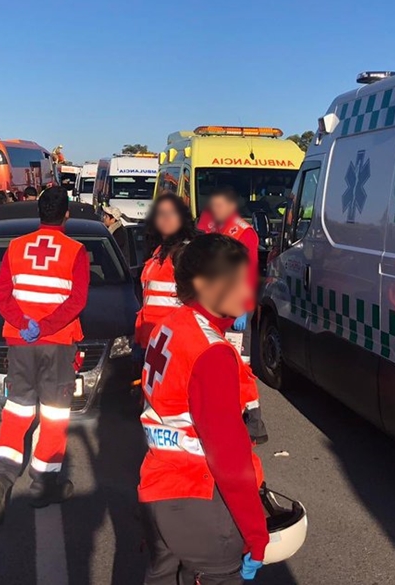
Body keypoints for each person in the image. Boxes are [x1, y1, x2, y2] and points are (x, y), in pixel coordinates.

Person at [138, 234, 268, 584]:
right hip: (200, 496)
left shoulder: (169, 325)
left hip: (158, 485)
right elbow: (228, 455)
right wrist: (256, 534)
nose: (248, 293)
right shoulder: (211, 353)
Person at [0, 186, 90, 524]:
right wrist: (44, 327)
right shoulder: (76, 251)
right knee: (54, 416)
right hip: (57, 344)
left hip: (20, 343)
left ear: (38, 212)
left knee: (17, 411)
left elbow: (0, 294)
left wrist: (22, 322)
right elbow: (77, 302)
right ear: (67, 215)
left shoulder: (16, 247)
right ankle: (43, 486)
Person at [198, 186, 266, 442]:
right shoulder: (212, 228)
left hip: (235, 310)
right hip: (214, 308)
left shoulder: (243, 232)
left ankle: (254, 424)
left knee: (240, 367)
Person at [135, 193, 197, 348]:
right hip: (151, 335)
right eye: (161, 214)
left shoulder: (185, 252)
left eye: (172, 213)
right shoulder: (157, 252)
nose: (166, 218)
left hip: (174, 338)